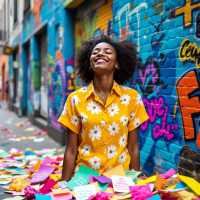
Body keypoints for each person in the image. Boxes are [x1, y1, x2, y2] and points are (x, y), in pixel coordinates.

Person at [58, 35, 149, 182]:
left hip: (120, 178)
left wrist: (134, 180)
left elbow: (133, 147)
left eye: (108, 51)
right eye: (95, 52)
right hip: (85, 178)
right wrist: (64, 183)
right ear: (89, 64)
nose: (100, 54)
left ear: (117, 64)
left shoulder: (132, 97)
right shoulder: (75, 99)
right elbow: (71, 150)